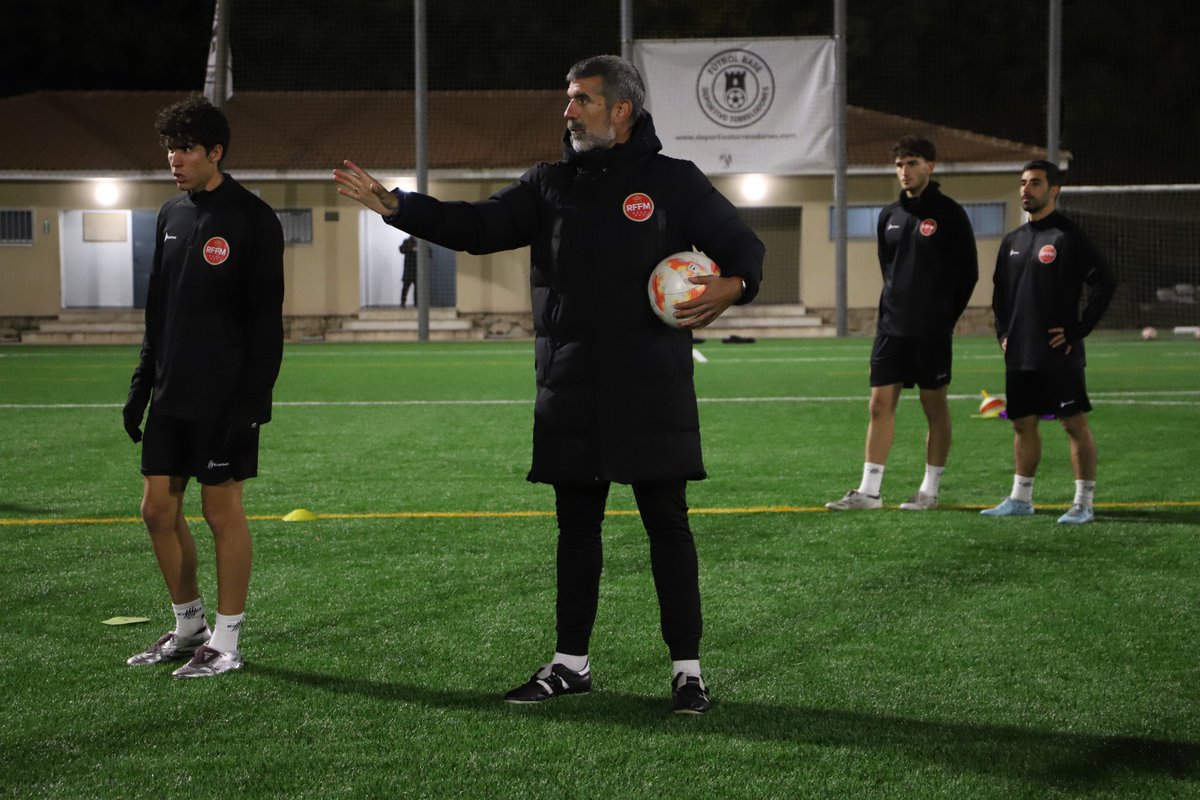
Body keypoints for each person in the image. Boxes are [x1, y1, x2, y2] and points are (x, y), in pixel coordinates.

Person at [334, 54, 764, 714]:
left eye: (581, 101)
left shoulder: (674, 183)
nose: (567, 112)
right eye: (568, 100)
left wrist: (733, 286)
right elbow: (477, 226)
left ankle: (687, 672)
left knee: (667, 526)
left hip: (654, 387)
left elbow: (744, 248)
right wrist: (399, 207)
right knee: (576, 528)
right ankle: (570, 664)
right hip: (572, 386)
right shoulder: (549, 185)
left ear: (621, 110)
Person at [122, 95, 285, 678]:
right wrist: (143, 383)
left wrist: (252, 402)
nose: (175, 158)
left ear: (215, 152)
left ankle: (227, 640)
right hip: (171, 393)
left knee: (222, 512)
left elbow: (267, 319)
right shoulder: (172, 215)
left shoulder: (252, 218)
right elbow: (158, 308)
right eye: (170, 147)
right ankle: (188, 624)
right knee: (156, 511)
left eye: (186, 148)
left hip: (224, 398)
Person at [826, 136, 978, 512]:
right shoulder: (888, 216)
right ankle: (869, 492)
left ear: (931, 166)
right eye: (899, 165)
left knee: (934, 406)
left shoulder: (950, 214)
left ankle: (929, 490)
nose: (904, 172)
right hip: (891, 327)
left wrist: (945, 318)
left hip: (932, 331)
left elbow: (969, 274)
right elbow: (888, 268)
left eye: (912, 163)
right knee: (879, 405)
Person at [982, 160, 1116, 524]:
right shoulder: (1013, 241)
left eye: (1035, 183)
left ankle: (1083, 503)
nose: (1026, 189)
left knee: (1073, 424)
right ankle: (1021, 498)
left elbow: (1105, 282)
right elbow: (1000, 296)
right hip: (1020, 352)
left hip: (1059, 352)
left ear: (1053, 190)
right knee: (1022, 423)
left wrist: (1077, 330)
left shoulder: (1068, 236)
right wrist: (1004, 334)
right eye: (1023, 183)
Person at [399, 235, 417, 308]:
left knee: (418, 289)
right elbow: (401, 250)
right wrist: (411, 249)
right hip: (408, 269)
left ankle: (417, 304)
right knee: (405, 288)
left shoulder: (421, 243)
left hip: (417, 271)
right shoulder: (407, 241)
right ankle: (403, 303)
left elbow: (429, 253)